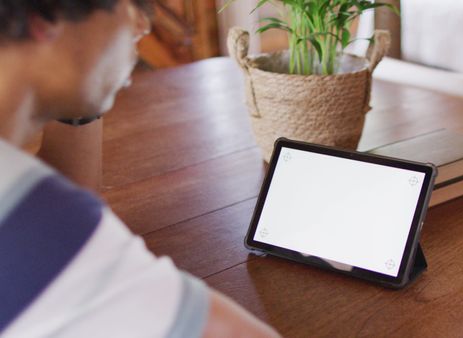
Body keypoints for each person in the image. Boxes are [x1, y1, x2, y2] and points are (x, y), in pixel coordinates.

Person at [0, 1, 280, 337]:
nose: (143, 27)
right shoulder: (33, 227)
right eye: (133, 5)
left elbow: (67, 199)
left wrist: (80, 80)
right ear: (45, 17)